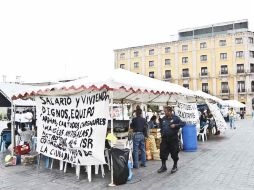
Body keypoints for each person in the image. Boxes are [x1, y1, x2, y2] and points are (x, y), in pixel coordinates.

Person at [157, 106, 185, 174]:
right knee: (162, 153)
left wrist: (175, 125)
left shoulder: (175, 118)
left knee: (174, 153)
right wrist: (160, 125)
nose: (164, 112)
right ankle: (163, 166)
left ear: (170, 111)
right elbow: (161, 127)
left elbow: (183, 124)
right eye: (164, 111)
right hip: (164, 139)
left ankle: (175, 165)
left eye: (165, 111)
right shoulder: (163, 118)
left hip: (173, 139)